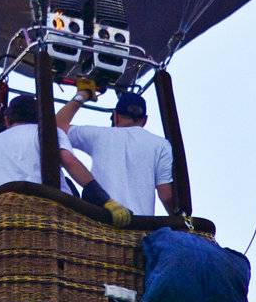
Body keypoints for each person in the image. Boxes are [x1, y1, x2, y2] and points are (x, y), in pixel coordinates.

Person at [0, 93, 132, 224]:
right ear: (39, 117)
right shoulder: (46, 132)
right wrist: (105, 199)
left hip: (8, 218)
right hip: (56, 214)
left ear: (7, 120)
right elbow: (70, 162)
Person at [55, 84, 176, 219]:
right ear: (145, 120)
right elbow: (166, 196)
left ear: (116, 116)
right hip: (139, 227)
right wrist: (180, 222)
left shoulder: (99, 135)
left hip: (99, 221)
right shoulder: (161, 145)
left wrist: (82, 96)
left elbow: (56, 127)